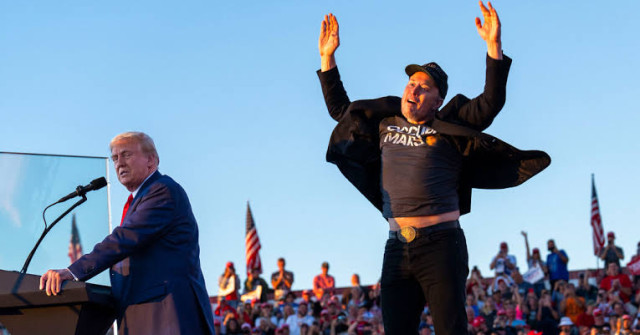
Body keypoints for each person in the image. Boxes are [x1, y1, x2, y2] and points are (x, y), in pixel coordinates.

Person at [316, 2, 549, 335]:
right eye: (411, 82)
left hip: (441, 244)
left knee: (450, 330)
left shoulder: (449, 124)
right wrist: (328, 59)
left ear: (438, 100)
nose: (414, 89)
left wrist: (493, 47)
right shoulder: (385, 121)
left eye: (425, 87)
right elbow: (342, 111)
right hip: (396, 247)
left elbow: (490, 102)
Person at [39, 131, 215, 334]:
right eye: (115, 158)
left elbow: (125, 239)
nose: (119, 163)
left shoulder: (163, 191)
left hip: (167, 316)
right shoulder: (140, 199)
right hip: (140, 316)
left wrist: (73, 272)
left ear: (151, 160)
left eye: (127, 155)